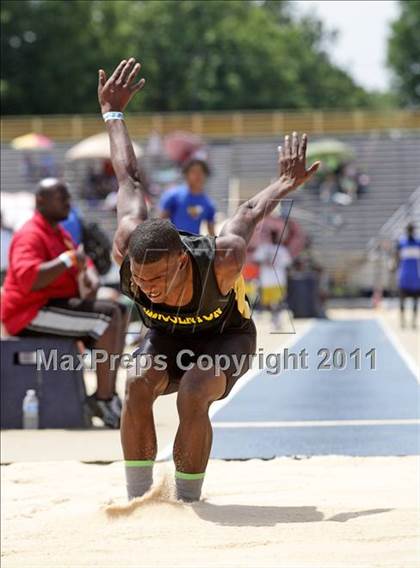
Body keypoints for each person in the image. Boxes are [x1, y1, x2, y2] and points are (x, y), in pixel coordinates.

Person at [97, 57, 319, 501]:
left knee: (194, 389)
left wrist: (283, 183)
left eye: (157, 280)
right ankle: (139, 499)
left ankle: (186, 500)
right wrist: (114, 114)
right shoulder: (128, 246)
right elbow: (129, 177)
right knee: (137, 381)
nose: (147, 289)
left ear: (182, 263)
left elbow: (249, 214)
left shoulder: (222, 259)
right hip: (165, 335)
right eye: (140, 281)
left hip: (226, 338)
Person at [0, 178, 128, 427]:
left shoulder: (61, 234)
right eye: (62, 197)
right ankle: (102, 399)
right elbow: (30, 279)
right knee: (108, 316)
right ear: (41, 201)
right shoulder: (30, 234)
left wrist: (87, 273)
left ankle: (108, 394)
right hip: (28, 313)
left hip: (52, 306)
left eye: (68, 197)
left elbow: (84, 267)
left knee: (118, 310)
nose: (68, 202)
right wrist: (69, 261)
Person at [159, 156, 216, 236]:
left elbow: (211, 232)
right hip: (175, 243)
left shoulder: (208, 203)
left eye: (201, 172)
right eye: (194, 172)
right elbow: (160, 223)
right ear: (186, 174)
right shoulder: (173, 196)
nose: (198, 176)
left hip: (194, 245)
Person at [253, 230, 291, 328]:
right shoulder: (263, 248)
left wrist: (276, 263)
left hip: (278, 279)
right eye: (272, 236)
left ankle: (276, 317)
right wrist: (264, 261)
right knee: (267, 302)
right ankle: (274, 316)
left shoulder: (282, 249)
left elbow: (287, 263)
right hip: (266, 280)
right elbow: (255, 260)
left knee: (278, 301)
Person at [396, 223, 420, 329]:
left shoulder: (418, 243)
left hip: (415, 277)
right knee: (402, 300)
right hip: (404, 276)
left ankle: (413, 322)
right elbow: (397, 257)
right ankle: (403, 321)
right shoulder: (402, 243)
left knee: (415, 300)